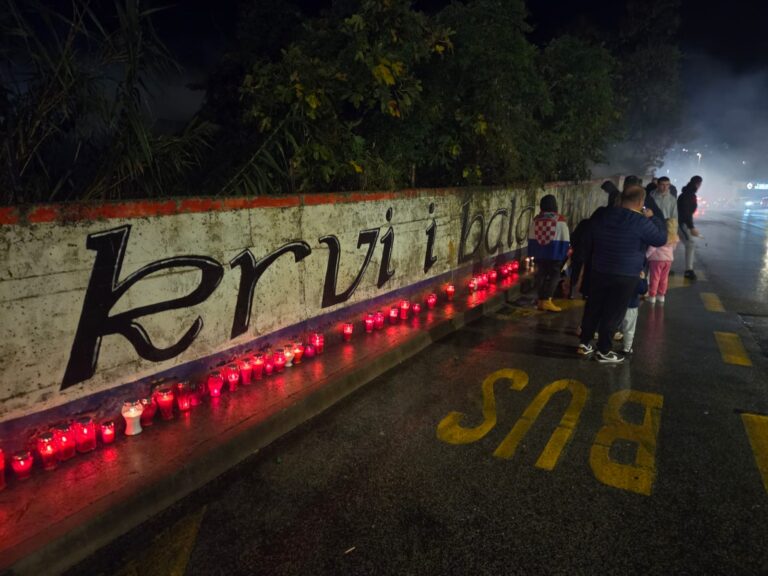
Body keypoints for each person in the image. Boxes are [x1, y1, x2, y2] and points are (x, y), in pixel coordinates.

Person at [577, 185, 667, 363]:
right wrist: (654, 218)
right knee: (613, 312)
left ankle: (584, 343)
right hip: (625, 274)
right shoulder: (641, 222)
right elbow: (660, 238)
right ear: (641, 202)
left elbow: (589, 234)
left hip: (599, 269)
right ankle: (603, 350)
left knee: (593, 307)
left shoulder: (602, 214)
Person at [527, 194, 570, 312]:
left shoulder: (536, 220)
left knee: (540, 275)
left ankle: (541, 300)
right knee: (555, 276)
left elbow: (531, 238)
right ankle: (547, 300)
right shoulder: (560, 220)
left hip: (540, 254)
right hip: (554, 254)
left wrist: (532, 252)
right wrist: (565, 253)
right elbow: (565, 239)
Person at [648, 176, 679, 294]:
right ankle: (648, 286)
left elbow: (674, 217)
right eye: (662, 184)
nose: (665, 187)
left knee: (660, 258)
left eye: (667, 185)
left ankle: (658, 292)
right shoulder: (651, 196)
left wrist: (673, 235)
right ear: (658, 185)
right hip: (652, 227)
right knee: (651, 256)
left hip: (666, 229)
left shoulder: (672, 199)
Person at [678, 175, 702, 279]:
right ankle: (689, 270)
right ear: (698, 184)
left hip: (681, 222)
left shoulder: (686, 193)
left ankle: (665, 267)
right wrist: (691, 227)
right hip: (681, 223)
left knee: (672, 245)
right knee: (690, 243)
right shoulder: (689, 195)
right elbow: (687, 212)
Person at [619, 270, 648, 354]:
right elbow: (643, 290)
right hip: (631, 306)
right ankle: (627, 348)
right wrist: (643, 279)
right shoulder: (636, 274)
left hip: (617, 304)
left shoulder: (619, 270)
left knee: (612, 325)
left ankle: (605, 346)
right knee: (629, 328)